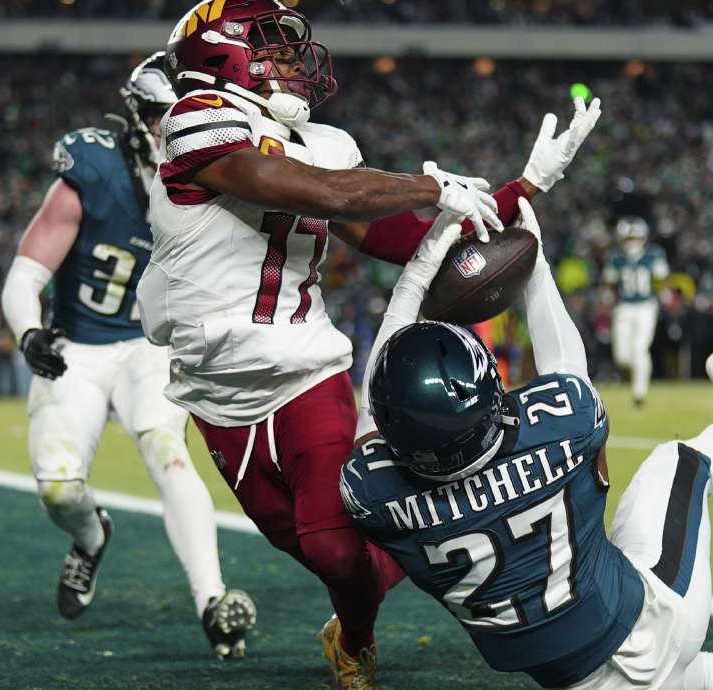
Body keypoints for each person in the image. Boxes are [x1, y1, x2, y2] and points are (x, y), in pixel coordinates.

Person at [139, 3, 601, 687]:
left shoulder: (324, 143)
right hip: (215, 395)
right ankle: (414, 536)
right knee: (320, 551)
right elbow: (303, 189)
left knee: (335, 553)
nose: (295, 60)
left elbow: (402, 238)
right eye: (273, 45)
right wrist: (429, 186)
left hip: (304, 369)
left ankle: (355, 640)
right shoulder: (194, 121)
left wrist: (522, 190)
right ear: (218, 54)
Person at [340, 200, 713, 690]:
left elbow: (372, 412)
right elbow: (566, 368)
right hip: (644, 619)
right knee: (678, 463)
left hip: (568, 678)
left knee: (649, 676)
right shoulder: (557, 431)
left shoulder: (372, 495)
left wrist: (409, 285)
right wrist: (535, 262)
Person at [0, 53, 255, 660]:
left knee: (168, 453)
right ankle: (91, 538)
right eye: (171, 115)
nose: (180, 129)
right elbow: (23, 275)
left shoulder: (217, 177)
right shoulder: (94, 169)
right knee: (60, 490)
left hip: (151, 345)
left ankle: (213, 602)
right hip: (80, 347)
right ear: (142, 116)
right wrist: (29, 333)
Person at [603, 216, 669, 406]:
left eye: (635, 238)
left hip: (646, 306)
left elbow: (662, 278)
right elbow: (610, 283)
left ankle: (639, 394)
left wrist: (665, 295)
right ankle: (642, 370)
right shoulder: (615, 257)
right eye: (629, 239)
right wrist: (607, 300)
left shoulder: (654, 254)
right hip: (623, 307)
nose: (632, 243)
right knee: (623, 356)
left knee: (640, 348)